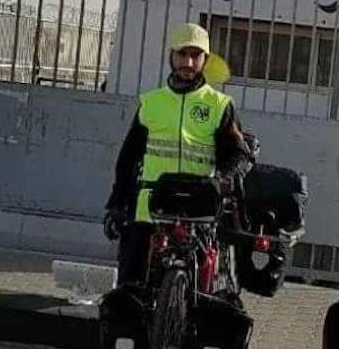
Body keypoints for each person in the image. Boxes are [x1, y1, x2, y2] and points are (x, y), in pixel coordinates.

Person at [103, 22, 251, 284]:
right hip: (150, 209)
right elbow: (129, 157)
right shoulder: (151, 103)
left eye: (196, 55)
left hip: (199, 211)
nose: (189, 62)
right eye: (182, 54)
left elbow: (239, 154)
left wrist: (222, 180)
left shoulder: (219, 105)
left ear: (205, 60)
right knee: (130, 287)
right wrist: (117, 202)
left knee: (201, 288)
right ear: (171, 56)